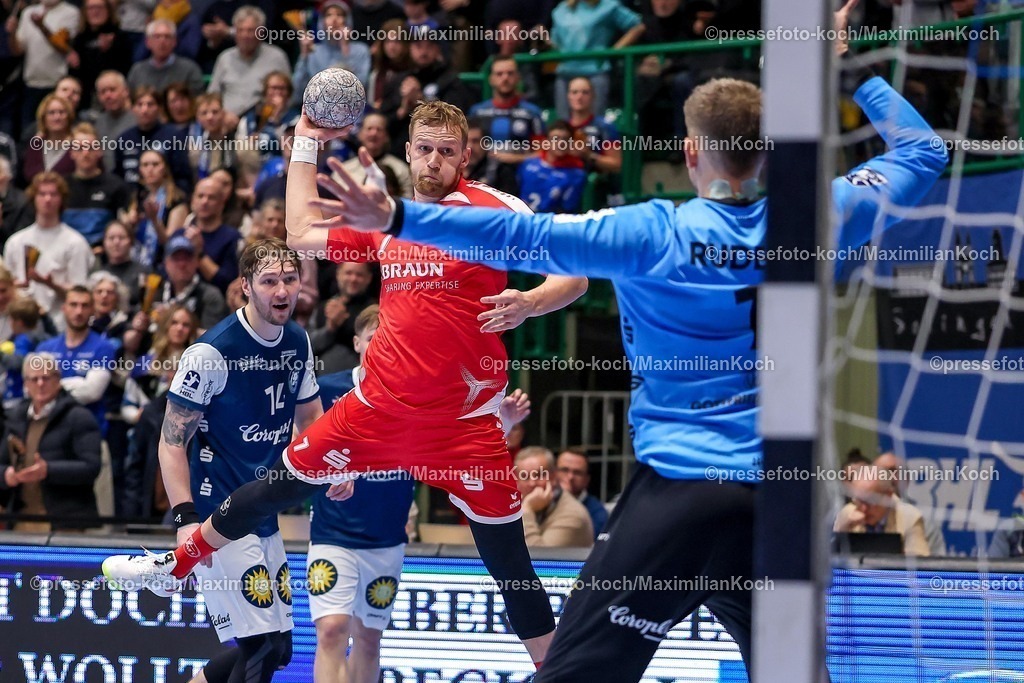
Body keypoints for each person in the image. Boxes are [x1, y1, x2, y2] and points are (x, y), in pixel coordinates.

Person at [275, 4, 949, 677]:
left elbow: (521, 237)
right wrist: (848, 69)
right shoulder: (823, 214)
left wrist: (397, 215)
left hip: (681, 493)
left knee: (573, 671)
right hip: (781, 494)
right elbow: (924, 151)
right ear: (766, 152)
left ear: (688, 152)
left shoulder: (648, 230)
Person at [103, 100, 591, 674]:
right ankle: (176, 564)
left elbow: (575, 272)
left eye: (447, 151)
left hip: (462, 426)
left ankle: (565, 674)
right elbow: (301, 233)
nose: (434, 161)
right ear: (408, 152)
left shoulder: (494, 211)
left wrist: (530, 302)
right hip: (376, 410)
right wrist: (306, 141)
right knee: (273, 486)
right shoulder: (390, 218)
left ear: (467, 153)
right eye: (424, 149)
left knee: (511, 566)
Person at [121, 238, 323, 683]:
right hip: (219, 516)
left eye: (290, 279)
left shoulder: (298, 340)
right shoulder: (211, 353)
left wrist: (331, 469)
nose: (282, 291)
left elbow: (309, 417)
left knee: (281, 649)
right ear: (245, 287)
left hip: (265, 512)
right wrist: (186, 521)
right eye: (269, 281)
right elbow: (171, 442)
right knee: (261, 647)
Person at [0, 351, 102, 532]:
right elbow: (2, 463)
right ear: (26, 384)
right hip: (19, 521)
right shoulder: (15, 417)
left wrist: (48, 470)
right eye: (34, 379)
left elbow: (91, 467)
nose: (40, 384)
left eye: (46, 378)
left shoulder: (78, 416)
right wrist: (7, 475)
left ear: (58, 380)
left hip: (64, 523)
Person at [3, 172, 94, 319]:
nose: (47, 199)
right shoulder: (16, 242)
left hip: (59, 322)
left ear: (61, 199)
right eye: (42, 194)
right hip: (21, 322)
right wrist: (16, 287)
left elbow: (80, 293)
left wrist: (51, 284)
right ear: (33, 198)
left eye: (53, 194)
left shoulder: (75, 242)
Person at [37, 285, 116, 432]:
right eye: (73, 305)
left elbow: (92, 392)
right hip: (50, 430)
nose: (79, 311)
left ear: (92, 309)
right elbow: (35, 389)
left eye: (85, 306)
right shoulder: (45, 348)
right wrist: (78, 383)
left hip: (88, 430)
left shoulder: (104, 347)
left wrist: (53, 385)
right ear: (64, 308)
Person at [834, 466, 931, 556]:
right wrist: (843, 528)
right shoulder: (847, 514)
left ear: (888, 495)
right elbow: (828, 561)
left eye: (870, 502)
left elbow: (919, 565)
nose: (863, 508)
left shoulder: (910, 517)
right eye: (859, 500)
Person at [516, 446, 593, 548]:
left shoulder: (573, 515)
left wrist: (526, 510)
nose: (532, 483)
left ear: (554, 477)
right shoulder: (512, 505)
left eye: (539, 475)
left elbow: (540, 559)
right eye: (524, 477)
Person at [556, 448, 608, 538]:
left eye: (577, 473)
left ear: (587, 479)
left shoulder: (596, 513)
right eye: (564, 470)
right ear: (554, 473)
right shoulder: (542, 501)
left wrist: (566, 496)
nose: (570, 477)